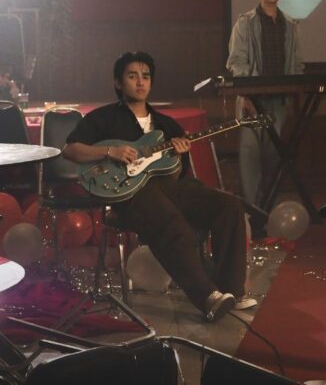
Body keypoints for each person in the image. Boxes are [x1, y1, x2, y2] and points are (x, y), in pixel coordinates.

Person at [62, 51, 255, 322]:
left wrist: (179, 153)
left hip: (170, 189)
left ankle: (232, 290)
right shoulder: (103, 118)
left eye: (146, 76)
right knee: (171, 221)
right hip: (130, 195)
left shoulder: (167, 125)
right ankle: (208, 297)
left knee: (229, 206)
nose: (140, 82)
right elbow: (70, 150)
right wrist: (109, 151)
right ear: (118, 82)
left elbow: (177, 174)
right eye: (132, 76)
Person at [226, 0, 303, 229]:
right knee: (250, 154)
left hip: (278, 101)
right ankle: (252, 213)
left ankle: (268, 210)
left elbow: (296, 64)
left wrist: (292, 98)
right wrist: (246, 94)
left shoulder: (290, 25)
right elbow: (236, 62)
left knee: (273, 156)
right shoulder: (245, 23)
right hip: (252, 99)